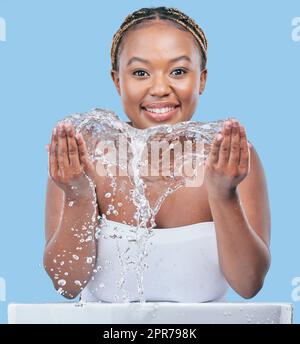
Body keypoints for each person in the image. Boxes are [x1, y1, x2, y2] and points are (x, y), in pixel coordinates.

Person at [44, 7, 271, 302]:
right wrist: (78, 195)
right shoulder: (85, 157)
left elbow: (249, 283)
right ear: (117, 81)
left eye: (178, 71)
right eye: (140, 73)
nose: (160, 88)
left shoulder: (230, 159)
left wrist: (223, 194)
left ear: (201, 80)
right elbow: (67, 284)